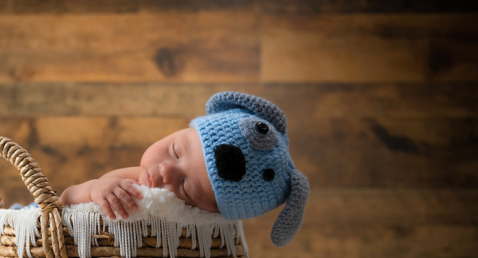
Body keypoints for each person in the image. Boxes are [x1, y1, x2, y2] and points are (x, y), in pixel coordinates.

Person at [60, 91, 310, 247]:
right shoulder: (132, 181)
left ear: (211, 214)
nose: (167, 171)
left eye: (185, 188)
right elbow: (64, 201)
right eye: (175, 151)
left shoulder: (201, 236)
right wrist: (95, 188)